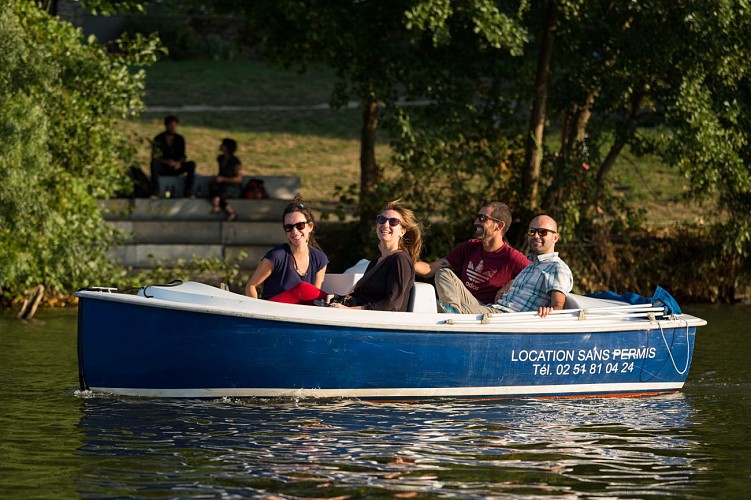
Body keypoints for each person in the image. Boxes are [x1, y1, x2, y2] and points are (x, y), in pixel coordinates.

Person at [414, 201, 528, 314]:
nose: (476, 222)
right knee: (443, 273)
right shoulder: (470, 247)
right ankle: (452, 312)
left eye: (482, 218)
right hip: (466, 304)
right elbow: (429, 269)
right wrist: (401, 256)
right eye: (477, 217)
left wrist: (512, 282)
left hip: (488, 311)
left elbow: (537, 275)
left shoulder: (512, 257)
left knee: (460, 309)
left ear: (499, 225)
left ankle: (452, 314)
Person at [328, 200, 423, 312]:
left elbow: (392, 304)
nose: (385, 225)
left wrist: (352, 310)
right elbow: (360, 297)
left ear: (402, 231)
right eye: (382, 220)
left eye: (393, 222)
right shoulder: (375, 262)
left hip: (382, 326)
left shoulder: (400, 260)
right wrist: (338, 298)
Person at [244, 197, 329, 304]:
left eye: (300, 225)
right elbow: (251, 286)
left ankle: (342, 302)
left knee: (310, 293)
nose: (294, 231)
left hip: (301, 314)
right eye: (289, 227)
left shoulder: (319, 258)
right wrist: (255, 311)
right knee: (303, 289)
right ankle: (338, 300)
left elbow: (315, 298)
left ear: (310, 227)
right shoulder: (276, 256)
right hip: (273, 311)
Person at [490, 214, 573, 318]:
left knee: (463, 309)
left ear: (555, 237)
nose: (536, 236)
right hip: (494, 309)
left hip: (506, 318)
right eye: (532, 231)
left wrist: (548, 311)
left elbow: (558, 307)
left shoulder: (556, 267)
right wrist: (511, 282)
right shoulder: (530, 263)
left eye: (543, 232)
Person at [150, 115, 196, 198]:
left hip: (176, 167)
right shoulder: (158, 138)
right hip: (164, 167)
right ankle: (155, 191)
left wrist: (179, 163)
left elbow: (183, 156)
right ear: (166, 126)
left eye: (174, 126)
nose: (173, 128)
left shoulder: (180, 139)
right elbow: (155, 157)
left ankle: (188, 191)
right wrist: (167, 162)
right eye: (171, 126)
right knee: (154, 164)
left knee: (191, 164)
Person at [209, 138, 243, 221]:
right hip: (222, 185)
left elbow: (239, 179)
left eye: (223, 145)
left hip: (232, 187)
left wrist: (223, 179)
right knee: (212, 188)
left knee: (220, 196)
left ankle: (231, 212)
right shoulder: (220, 158)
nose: (220, 146)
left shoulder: (235, 161)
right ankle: (217, 205)